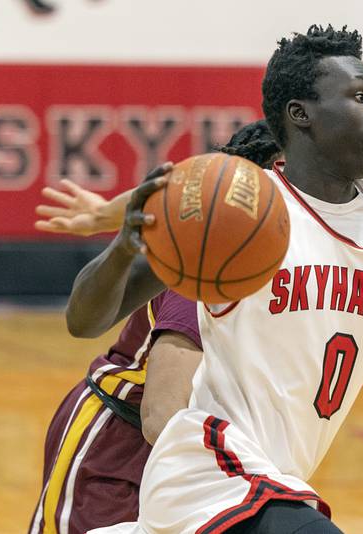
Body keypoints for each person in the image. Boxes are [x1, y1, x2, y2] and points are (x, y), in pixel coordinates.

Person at [67, 25, 363, 534]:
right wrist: (125, 247)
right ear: (301, 115)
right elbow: (85, 319)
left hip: (278, 478)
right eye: (360, 98)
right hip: (208, 473)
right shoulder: (238, 213)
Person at [29, 121, 282, 534]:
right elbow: (162, 415)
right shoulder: (215, 266)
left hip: (192, 449)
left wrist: (102, 214)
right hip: (122, 444)